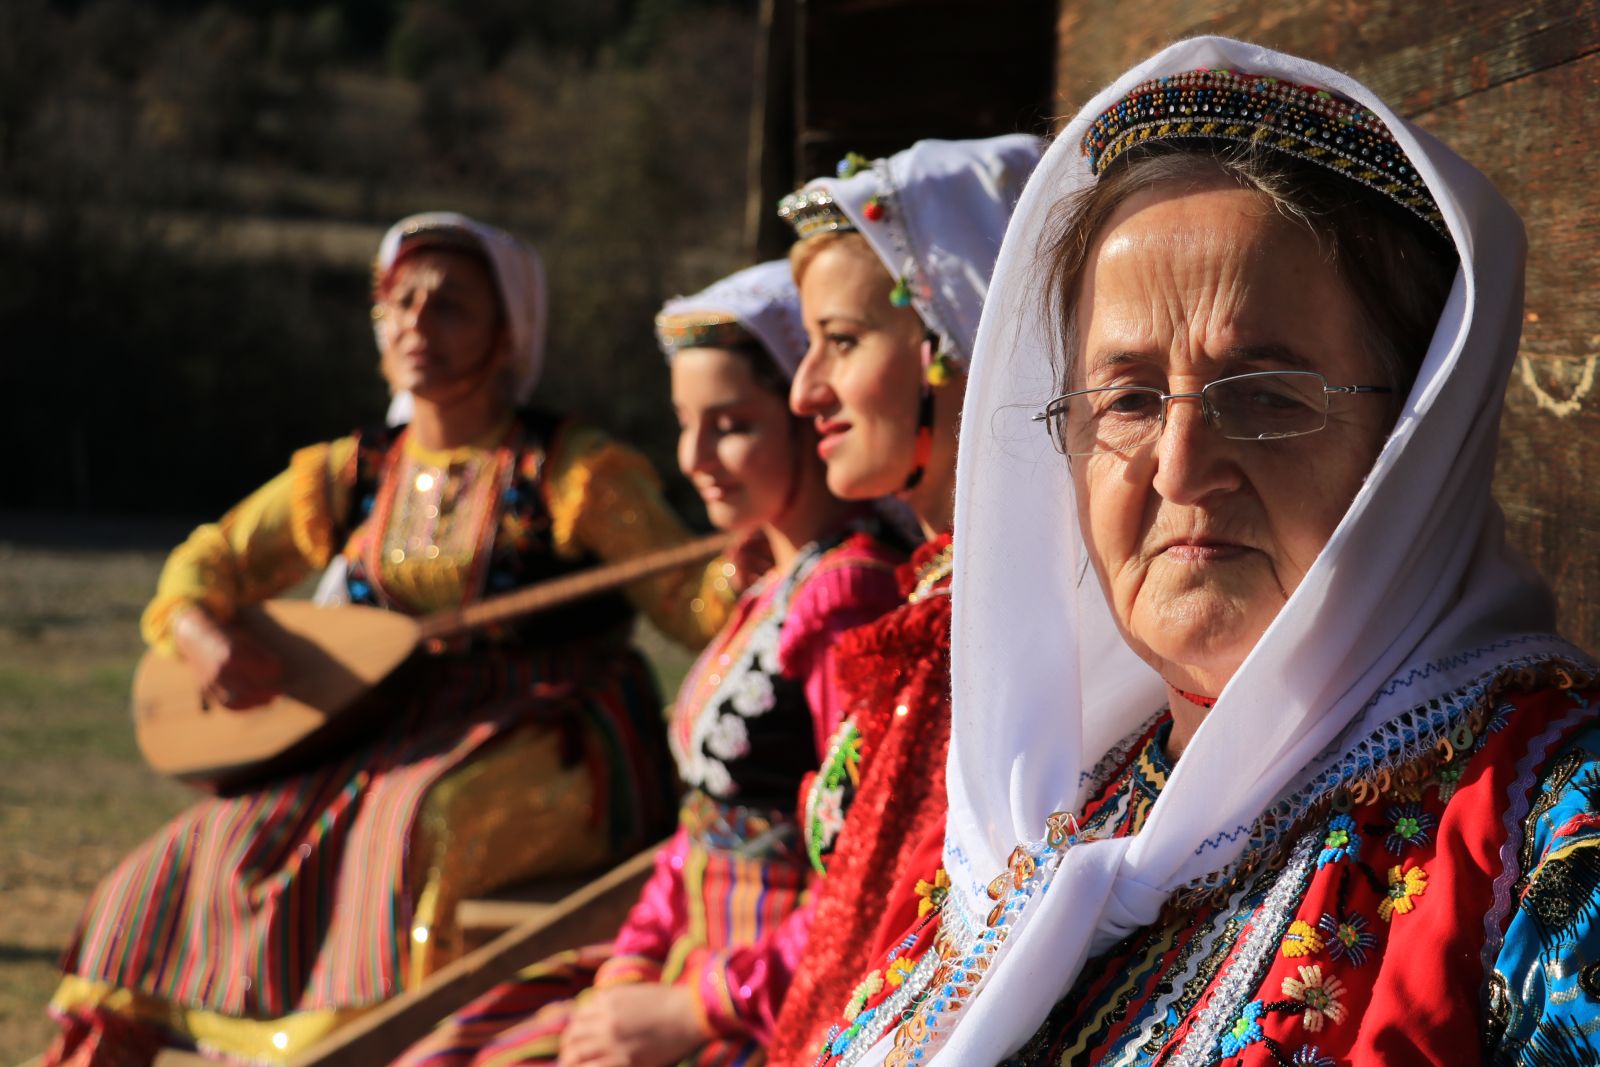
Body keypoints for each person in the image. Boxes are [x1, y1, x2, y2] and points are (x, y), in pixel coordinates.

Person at [809, 37, 1600, 1067]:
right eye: (1128, 398)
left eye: (1266, 394)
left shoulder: (1545, 834)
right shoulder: (1046, 819)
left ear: (1417, 437)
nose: (1180, 467)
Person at [45, 212, 741, 1066]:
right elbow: (211, 558)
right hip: (390, 726)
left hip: (552, 727)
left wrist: (767, 543)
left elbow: (692, 603)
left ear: (506, 332)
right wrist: (200, 634)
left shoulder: (574, 470)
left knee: (427, 821)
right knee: (206, 839)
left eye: (450, 306)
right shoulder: (354, 471)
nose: (417, 326)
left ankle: (394, 1046)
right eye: (400, 304)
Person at [388, 260, 906, 1067]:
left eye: (731, 424)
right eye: (684, 422)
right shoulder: (767, 588)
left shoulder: (848, 598)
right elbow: (696, 835)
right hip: (678, 965)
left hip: (759, 1005)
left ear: (807, 416)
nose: (695, 455)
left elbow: (864, 879)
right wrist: (630, 966)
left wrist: (691, 1010)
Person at [762, 135, 1041, 1066]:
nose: (806, 391)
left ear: (957, 336)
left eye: (840, 342)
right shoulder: (933, 600)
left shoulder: (1000, 632)